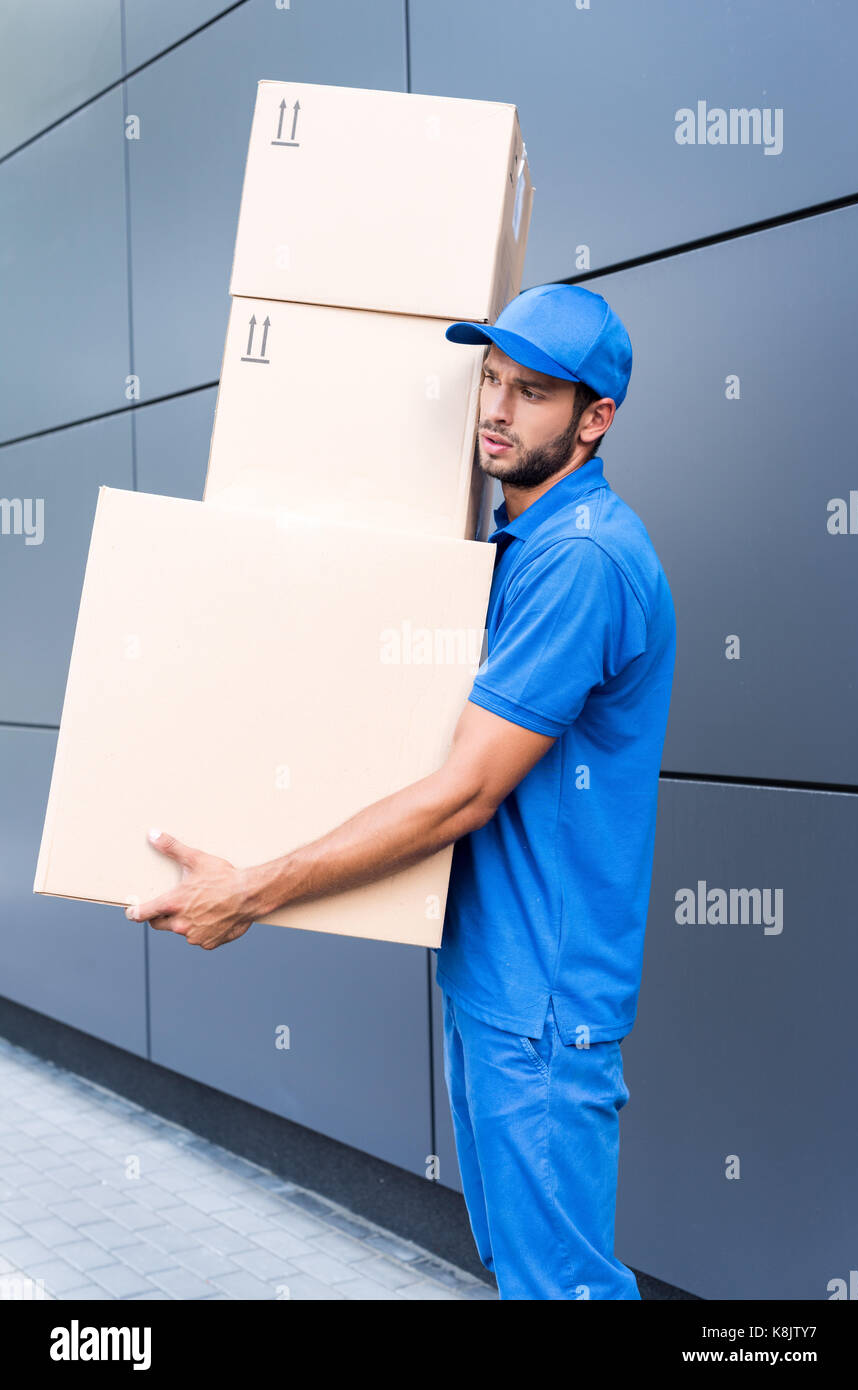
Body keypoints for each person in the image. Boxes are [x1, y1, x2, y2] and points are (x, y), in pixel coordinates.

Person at [126, 283, 677, 1301]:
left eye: (535, 393)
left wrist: (252, 888)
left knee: (564, 1287)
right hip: (493, 977)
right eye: (491, 380)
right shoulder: (516, 544)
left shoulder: (582, 560)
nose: (496, 411)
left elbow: (463, 792)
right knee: (525, 1272)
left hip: (543, 1001)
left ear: (596, 418)